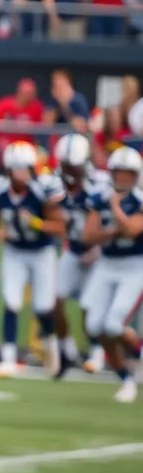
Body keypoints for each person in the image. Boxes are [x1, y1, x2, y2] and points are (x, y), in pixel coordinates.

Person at [0, 141, 66, 377]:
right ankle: (8, 358)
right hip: (15, 251)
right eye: (17, 169)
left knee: (43, 306)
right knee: (11, 301)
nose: (22, 174)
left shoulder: (42, 190)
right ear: (8, 170)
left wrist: (37, 223)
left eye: (26, 169)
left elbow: (60, 226)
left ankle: (52, 346)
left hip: (41, 252)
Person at [79, 146, 143, 403]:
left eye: (128, 173)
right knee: (95, 326)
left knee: (114, 324)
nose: (123, 178)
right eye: (119, 172)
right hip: (107, 263)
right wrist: (111, 231)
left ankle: (138, 353)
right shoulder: (99, 196)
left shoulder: (139, 200)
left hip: (134, 265)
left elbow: (132, 231)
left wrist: (116, 209)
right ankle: (125, 379)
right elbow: (88, 235)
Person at [52, 134, 110, 377]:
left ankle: (96, 353)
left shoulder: (101, 184)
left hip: (100, 253)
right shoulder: (55, 183)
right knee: (54, 302)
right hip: (74, 249)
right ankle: (67, 351)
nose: (69, 172)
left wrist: (98, 248)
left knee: (89, 305)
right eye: (66, 166)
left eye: (73, 166)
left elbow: (110, 220)